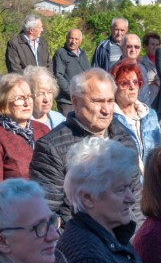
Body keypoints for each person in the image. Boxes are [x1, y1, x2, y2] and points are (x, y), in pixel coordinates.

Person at [30, 67, 116, 219]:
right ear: (75, 102)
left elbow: (134, 202)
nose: (106, 110)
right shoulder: (51, 148)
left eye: (110, 101)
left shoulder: (123, 137)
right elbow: (46, 214)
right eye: (98, 101)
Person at [0, 73, 50, 181]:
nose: (27, 103)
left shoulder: (43, 130)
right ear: (3, 102)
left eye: (29, 97)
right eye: (20, 98)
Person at [108, 61, 161, 164]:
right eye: (124, 83)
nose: (132, 87)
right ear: (114, 88)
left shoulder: (150, 115)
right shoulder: (109, 119)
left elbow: (159, 151)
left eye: (135, 82)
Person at [51, 28, 89, 108]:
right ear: (66, 38)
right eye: (71, 38)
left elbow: (88, 74)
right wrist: (72, 93)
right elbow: (58, 76)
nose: (73, 42)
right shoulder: (61, 53)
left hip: (83, 100)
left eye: (76, 39)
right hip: (67, 102)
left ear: (80, 41)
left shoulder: (83, 54)